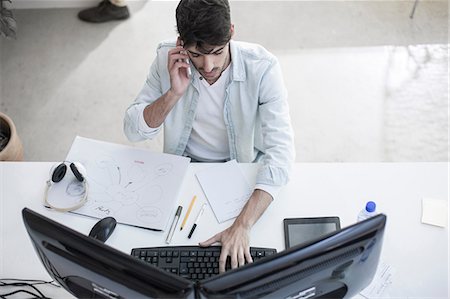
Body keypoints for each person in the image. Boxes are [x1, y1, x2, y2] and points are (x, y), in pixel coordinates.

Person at [124, 0, 295, 273]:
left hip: (243, 168)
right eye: (195, 54)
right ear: (181, 43)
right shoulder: (165, 57)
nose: (208, 65)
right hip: (186, 169)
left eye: (217, 52)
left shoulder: (262, 67)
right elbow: (133, 130)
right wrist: (173, 94)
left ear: (231, 31)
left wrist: (242, 226)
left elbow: (281, 152)